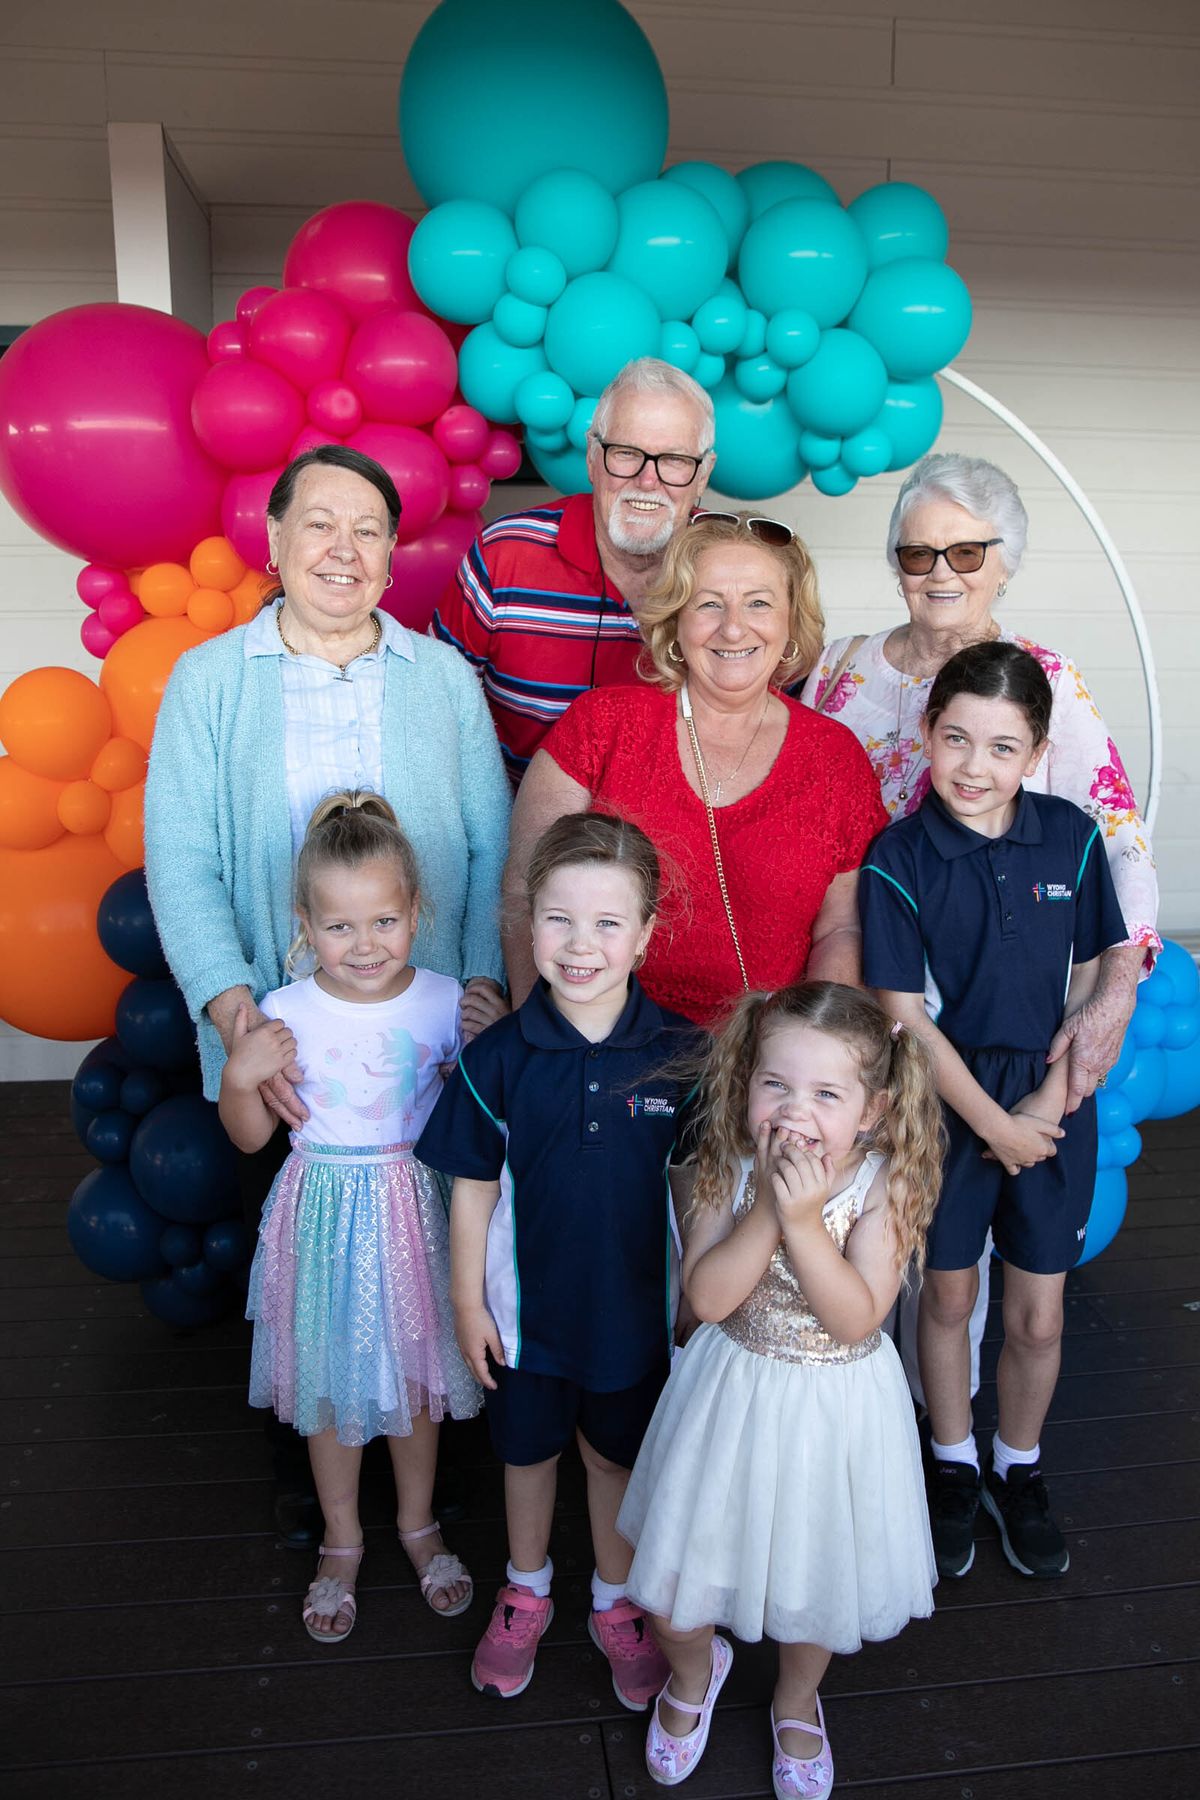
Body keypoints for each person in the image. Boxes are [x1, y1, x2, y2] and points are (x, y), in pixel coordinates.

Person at [145, 443, 511, 1544]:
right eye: (319, 523)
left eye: (368, 530)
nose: (343, 549)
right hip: (288, 1047)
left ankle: (432, 1479)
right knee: (306, 1274)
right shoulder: (211, 680)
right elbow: (181, 861)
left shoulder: (441, 679)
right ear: (274, 540)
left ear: (394, 554)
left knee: (435, 1259)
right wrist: (238, 1019)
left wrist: (481, 988)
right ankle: (319, 1490)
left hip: (424, 1044)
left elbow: (491, 847)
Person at [801, 450, 1159, 1404]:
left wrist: (1115, 989)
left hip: (984, 1007)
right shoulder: (840, 670)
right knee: (856, 1213)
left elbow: (1117, 844)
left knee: (951, 1250)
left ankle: (941, 1431)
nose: (941, 573)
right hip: (865, 986)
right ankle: (861, 1418)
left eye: (967, 551)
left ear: (1006, 562)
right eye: (918, 554)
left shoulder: (1041, 682)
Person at [616, 982, 944, 1795]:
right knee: (676, 1592)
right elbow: (707, 1299)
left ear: (871, 1110)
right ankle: (694, 1672)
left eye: (827, 1094)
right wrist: (769, 1209)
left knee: (814, 1580)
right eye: (776, 1084)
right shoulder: (727, 1161)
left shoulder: (883, 1183)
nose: (795, 1111)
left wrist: (805, 1225)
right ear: (747, 1082)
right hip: (729, 1398)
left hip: (835, 1413)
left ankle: (797, 1698)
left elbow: (856, 1318)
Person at [416, 814, 701, 1711]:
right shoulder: (497, 1059)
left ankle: (616, 1604)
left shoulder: (681, 1055)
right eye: (559, 920)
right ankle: (526, 1590)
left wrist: (696, 1294)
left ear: (646, 934)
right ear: (527, 921)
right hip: (524, 1322)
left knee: (616, 1461)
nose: (581, 946)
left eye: (608, 923)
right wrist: (468, 1305)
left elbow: (695, 1186)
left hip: (632, 1319)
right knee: (528, 1455)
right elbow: (472, 1191)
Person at [860, 643, 1128, 1585]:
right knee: (945, 1297)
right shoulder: (898, 857)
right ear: (927, 733)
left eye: (1004, 748)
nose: (975, 766)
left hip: (1052, 1102)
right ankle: (952, 1464)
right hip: (945, 1104)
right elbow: (904, 1015)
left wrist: (1048, 1104)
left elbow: (1092, 975)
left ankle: (1017, 1464)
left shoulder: (1070, 837)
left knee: (1038, 1317)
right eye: (957, 739)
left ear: (1037, 753)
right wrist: (994, 1125)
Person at [219, 793, 479, 1643]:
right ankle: (340, 1537)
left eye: (384, 922)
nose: (364, 946)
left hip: (415, 1214)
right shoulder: (285, 1010)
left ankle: (418, 1522)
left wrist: (485, 1051)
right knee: (329, 1384)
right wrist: (239, 1075)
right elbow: (251, 1136)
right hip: (323, 1219)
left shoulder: (445, 1002)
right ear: (304, 925)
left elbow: (477, 1117)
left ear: (417, 913)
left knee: (417, 1378)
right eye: (339, 927)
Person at [504, 512, 887, 1026]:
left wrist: (812, 1046)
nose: (734, 627)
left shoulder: (835, 758)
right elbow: (524, 891)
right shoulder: (602, 725)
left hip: (765, 1056)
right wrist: (544, 1036)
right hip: (598, 1046)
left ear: (791, 621)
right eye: (709, 603)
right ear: (675, 621)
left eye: (758, 603)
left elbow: (840, 929)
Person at [432, 357, 716, 784]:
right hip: (518, 818)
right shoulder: (504, 554)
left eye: (674, 459)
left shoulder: (737, 569)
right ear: (593, 457)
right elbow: (432, 714)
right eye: (626, 453)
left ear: (704, 473)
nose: (647, 480)